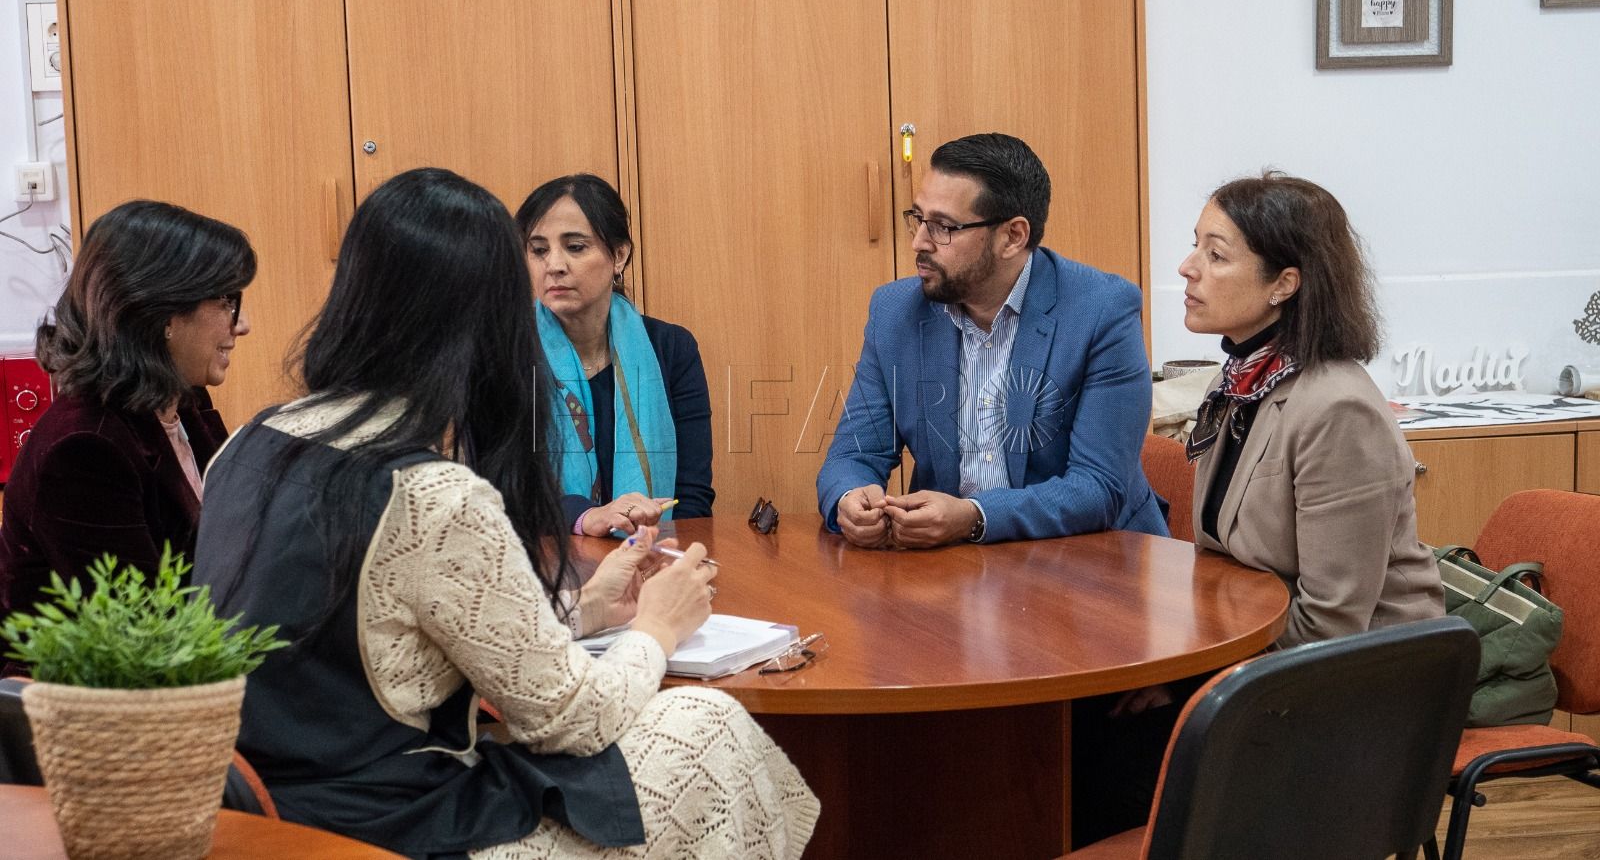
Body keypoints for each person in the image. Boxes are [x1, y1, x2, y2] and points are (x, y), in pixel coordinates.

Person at [192, 168, 816, 859]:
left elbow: (402, 630)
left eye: (574, 247)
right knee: (708, 722)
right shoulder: (432, 493)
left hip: (264, 819)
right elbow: (574, 721)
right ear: (485, 319)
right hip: (396, 830)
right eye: (532, 258)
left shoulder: (247, 443)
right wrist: (657, 628)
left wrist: (587, 610)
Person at [816, 133, 1167, 547]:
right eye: (918, 218)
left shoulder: (1102, 311)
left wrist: (974, 516)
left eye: (943, 227)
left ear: (1013, 236)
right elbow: (853, 455)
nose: (919, 242)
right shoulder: (895, 313)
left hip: (1095, 559)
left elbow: (1098, 488)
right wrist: (850, 497)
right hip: (956, 566)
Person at [1181, 171, 1443, 648]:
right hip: (1253, 638)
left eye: (1215, 255)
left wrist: (1204, 665)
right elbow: (1218, 561)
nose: (1187, 267)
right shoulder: (1235, 382)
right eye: (1195, 246)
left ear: (1284, 284)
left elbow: (1330, 623)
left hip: (1360, 667)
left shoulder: (1339, 410)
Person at [0, 200, 253, 648]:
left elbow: (232, 543)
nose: (242, 325)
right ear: (162, 314)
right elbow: (145, 630)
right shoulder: (84, 447)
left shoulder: (184, 400)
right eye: (226, 302)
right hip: (81, 685)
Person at [515, 174, 713, 538]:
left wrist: (653, 552)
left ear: (619, 255)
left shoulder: (671, 348)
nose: (554, 264)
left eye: (575, 247)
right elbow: (498, 491)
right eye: (539, 250)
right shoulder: (503, 354)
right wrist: (584, 517)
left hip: (653, 553)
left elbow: (692, 497)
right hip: (542, 557)